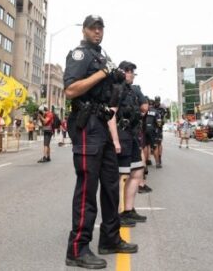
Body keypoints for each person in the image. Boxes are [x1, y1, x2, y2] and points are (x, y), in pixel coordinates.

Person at [63, 15, 137, 268]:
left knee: (110, 185)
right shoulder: (79, 55)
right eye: (93, 28)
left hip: (102, 124)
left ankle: (109, 238)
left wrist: (113, 76)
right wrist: (102, 74)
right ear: (84, 30)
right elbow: (71, 90)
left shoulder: (100, 55)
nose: (97, 32)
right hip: (87, 125)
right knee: (87, 188)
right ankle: (77, 249)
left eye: (100, 28)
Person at [110, 61, 147, 227]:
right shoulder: (116, 88)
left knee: (137, 172)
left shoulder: (132, 91)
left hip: (131, 136)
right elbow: (110, 115)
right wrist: (115, 140)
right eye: (128, 71)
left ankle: (128, 210)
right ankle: (116, 214)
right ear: (121, 72)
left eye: (133, 71)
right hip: (121, 136)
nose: (131, 74)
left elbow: (142, 110)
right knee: (120, 177)